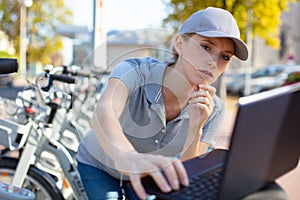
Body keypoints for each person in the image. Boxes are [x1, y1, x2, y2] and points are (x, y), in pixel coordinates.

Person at [76, 7, 248, 200]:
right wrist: (129, 158)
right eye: (206, 47)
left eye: (225, 56)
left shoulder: (214, 110)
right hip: (100, 163)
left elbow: (188, 173)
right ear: (180, 44)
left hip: (146, 172)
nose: (213, 62)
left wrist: (195, 128)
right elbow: (104, 111)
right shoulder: (137, 70)